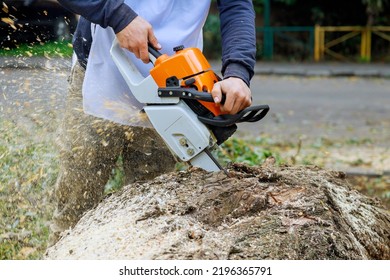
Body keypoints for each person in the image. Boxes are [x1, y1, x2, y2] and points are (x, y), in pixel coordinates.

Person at [50, 0, 257, 244]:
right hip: (99, 70)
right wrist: (119, 16)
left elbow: (236, 5)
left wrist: (238, 72)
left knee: (148, 216)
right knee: (74, 205)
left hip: (175, 86)